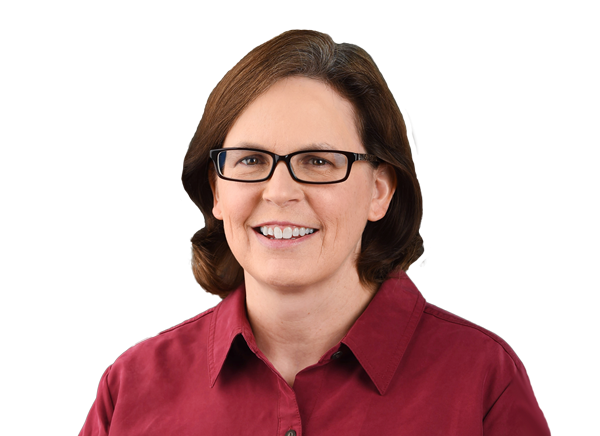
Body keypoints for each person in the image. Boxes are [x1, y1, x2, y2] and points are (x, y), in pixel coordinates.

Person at [80, 30, 550, 435]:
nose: (280, 192)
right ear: (217, 190)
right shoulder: (132, 389)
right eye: (250, 160)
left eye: (318, 161)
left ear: (380, 192)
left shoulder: (486, 383)